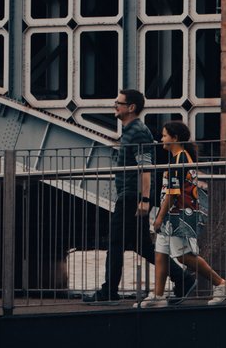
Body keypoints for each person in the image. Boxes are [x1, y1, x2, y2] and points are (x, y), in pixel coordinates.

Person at [83, 90, 196, 304]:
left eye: (119, 103)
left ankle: (109, 291)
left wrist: (144, 200)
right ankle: (183, 279)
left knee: (115, 242)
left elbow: (146, 168)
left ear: (131, 107)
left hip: (132, 197)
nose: (115, 106)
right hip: (131, 195)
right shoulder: (130, 131)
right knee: (141, 245)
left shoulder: (138, 132)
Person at [139, 120, 226, 308]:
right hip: (172, 214)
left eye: (165, 135)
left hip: (178, 215)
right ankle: (158, 296)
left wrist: (159, 217)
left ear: (175, 138)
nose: (161, 139)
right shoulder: (179, 157)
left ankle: (221, 284)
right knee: (161, 252)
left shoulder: (180, 159)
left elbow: (173, 193)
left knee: (184, 256)